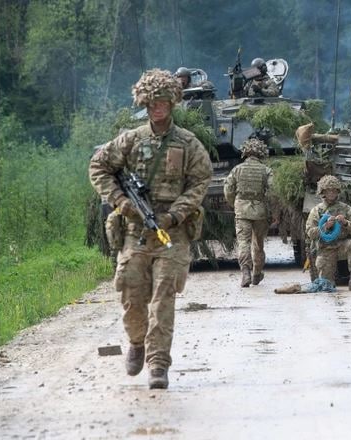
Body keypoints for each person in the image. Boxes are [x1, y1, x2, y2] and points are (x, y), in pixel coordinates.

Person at [89, 68, 212, 388]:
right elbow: (98, 166)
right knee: (131, 294)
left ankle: (158, 363)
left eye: (163, 102)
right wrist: (121, 201)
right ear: (144, 104)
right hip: (135, 232)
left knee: (163, 298)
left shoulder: (188, 143)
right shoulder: (131, 140)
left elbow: (200, 181)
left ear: (172, 103)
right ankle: (136, 341)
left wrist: (175, 214)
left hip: (172, 232)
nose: (158, 108)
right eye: (153, 102)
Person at [224, 138, 274, 287]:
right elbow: (273, 191)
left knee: (243, 242)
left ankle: (245, 272)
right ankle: (257, 273)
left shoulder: (237, 169)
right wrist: (270, 208)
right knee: (258, 244)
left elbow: (228, 189)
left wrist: (234, 203)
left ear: (245, 152)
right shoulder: (266, 170)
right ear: (261, 153)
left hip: (242, 209)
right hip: (260, 211)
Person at [305, 175, 351, 291]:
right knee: (327, 285)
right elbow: (310, 232)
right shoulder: (317, 211)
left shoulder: (345, 208)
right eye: (329, 190)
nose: (332, 193)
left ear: (338, 191)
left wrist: (345, 222)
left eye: (334, 190)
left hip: (342, 243)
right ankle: (328, 280)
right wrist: (324, 227)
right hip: (326, 247)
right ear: (323, 192)